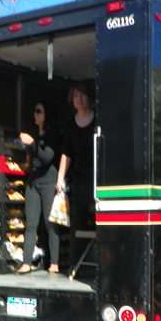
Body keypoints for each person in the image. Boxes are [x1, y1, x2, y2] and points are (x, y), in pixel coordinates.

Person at [16, 102, 61, 274]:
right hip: (33, 183)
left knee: (50, 224)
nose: (35, 114)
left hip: (49, 183)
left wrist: (33, 144)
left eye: (39, 111)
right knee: (31, 224)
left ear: (46, 114)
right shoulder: (34, 134)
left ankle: (54, 263)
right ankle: (26, 262)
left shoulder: (53, 135)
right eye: (34, 111)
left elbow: (47, 158)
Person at [55, 83, 96, 272]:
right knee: (78, 220)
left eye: (83, 95)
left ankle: (101, 261)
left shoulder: (98, 119)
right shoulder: (71, 124)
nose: (79, 99)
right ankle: (75, 264)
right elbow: (67, 154)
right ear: (72, 100)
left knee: (100, 220)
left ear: (89, 98)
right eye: (76, 96)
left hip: (99, 178)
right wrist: (60, 179)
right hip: (81, 178)